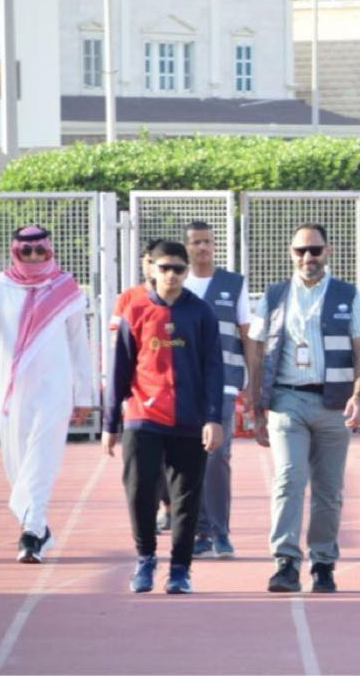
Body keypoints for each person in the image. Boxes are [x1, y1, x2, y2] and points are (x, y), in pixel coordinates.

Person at [246, 223, 360, 594]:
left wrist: (359, 396)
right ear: (290, 253)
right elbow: (257, 351)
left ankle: (322, 562)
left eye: (315, 250)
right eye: (300, 251)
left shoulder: (348, 294)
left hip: (334, 402)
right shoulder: (274, 296)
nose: (308, 257)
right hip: (287, 400)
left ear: (327, 251)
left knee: (328, 490)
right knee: (289, 479)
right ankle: (286, 562)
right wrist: (256, 405)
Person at [0, 225, 95, 563]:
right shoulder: (0, 286)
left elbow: (79, 345)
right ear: (15, 252)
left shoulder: (66, 288)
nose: (34, 257)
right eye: (26, 251)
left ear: (49, 251)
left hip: (56, 388)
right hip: (14, 389)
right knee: (18, 461)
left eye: (40, 251)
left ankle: (32, 532)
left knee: (43, 456)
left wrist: (84, 394)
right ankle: (37, 525)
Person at [103, 240, 224, 594]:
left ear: (187, 272)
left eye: (178, 269)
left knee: (186, 497)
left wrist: (213, 417)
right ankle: (145, 558)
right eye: (164, 268)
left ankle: (180, 569)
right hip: (143, 416)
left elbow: (214, 368)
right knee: (140, 489)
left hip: (190, 419)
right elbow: (120, 369)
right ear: (151, 269)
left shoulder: (201, 312)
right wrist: (110, 424)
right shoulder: (135, 309)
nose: (171, 275)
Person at [183, 220, 251, 559]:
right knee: (189, 456)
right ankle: (200, 531)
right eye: (196, 242)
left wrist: (252, 384)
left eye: (207, 241)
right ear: (186, 247)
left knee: (217, 455)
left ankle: (220, 531)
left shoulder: (233, 284)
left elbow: (248, 335)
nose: (203, 247)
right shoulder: (176, 283)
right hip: (183, 384)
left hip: (223, 383)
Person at [106, 239, 174, 534]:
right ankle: (152, 513)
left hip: (172, 395)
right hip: (139, 395)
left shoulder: (180, 299)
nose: (153, 267)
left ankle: (171, 507)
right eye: (149, 261)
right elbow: (117, 342)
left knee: (172, 457)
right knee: (144, 462)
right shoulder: (129, 298)